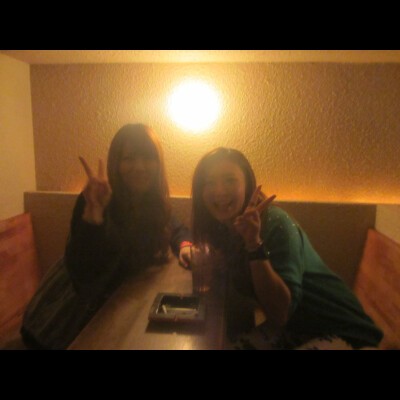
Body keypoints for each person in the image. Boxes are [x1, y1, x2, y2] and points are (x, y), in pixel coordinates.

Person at [191, 147, 383, 349]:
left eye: (229, 180)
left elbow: (280, 313)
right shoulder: (225, 229)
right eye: (209, 182)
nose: (219, 191)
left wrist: (253, 244)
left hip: (342, 331)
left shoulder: (276, 224)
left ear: (247, 184)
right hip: (295, 329)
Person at [21, 123, 192, 349]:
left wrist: (186, 245)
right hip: (68, 316)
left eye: (147, 158)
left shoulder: (153, 202)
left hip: (119, 302)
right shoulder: (97, 199)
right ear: (116, 163)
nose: (139, 166)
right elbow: (83, 272)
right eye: (129, 158)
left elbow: (175, 226)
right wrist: (93, 222)